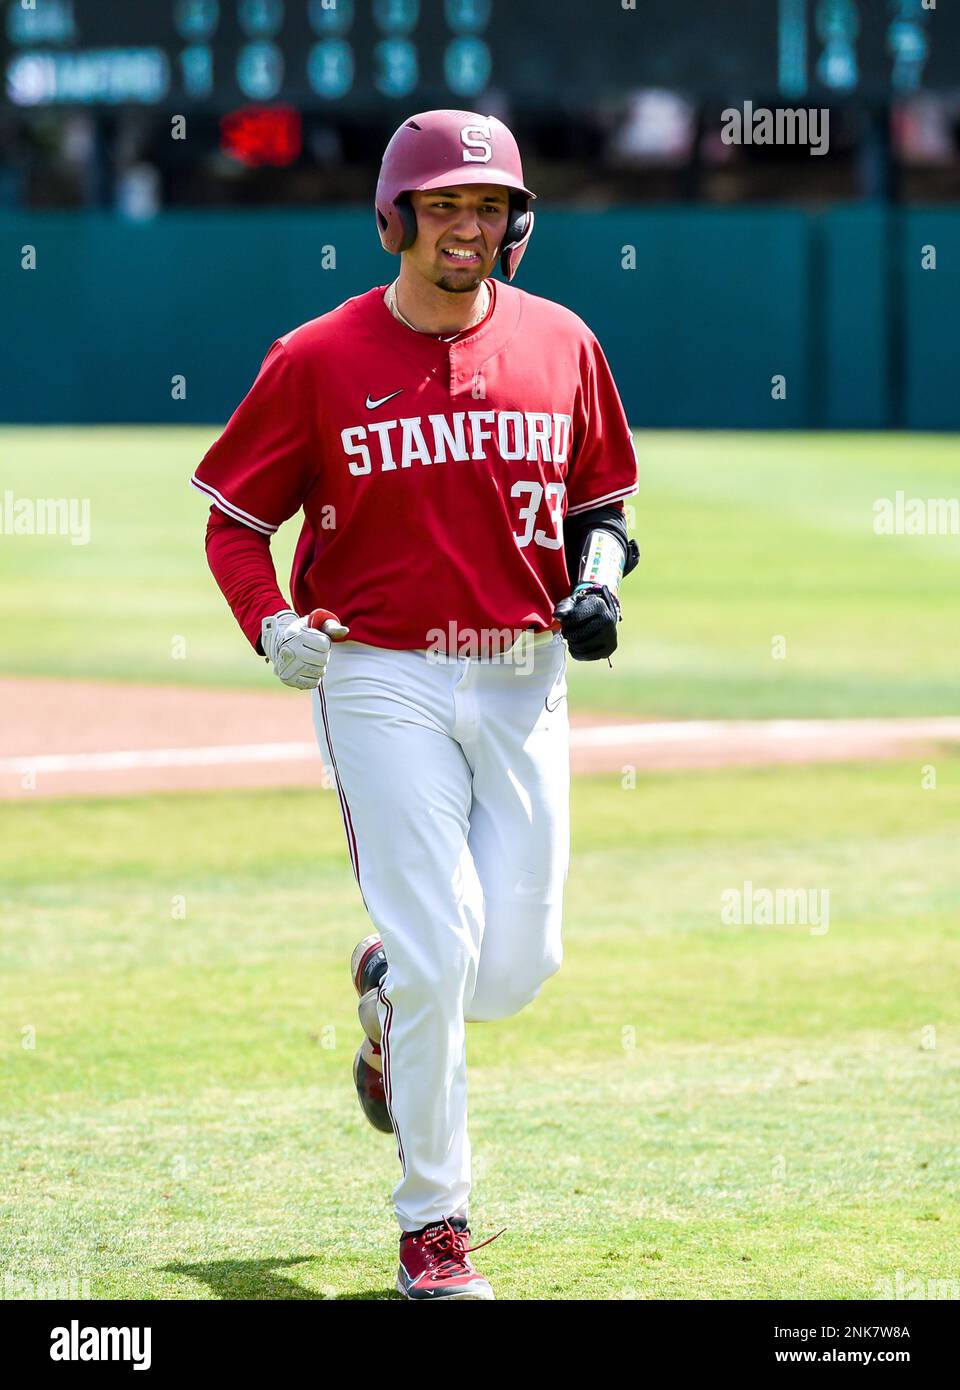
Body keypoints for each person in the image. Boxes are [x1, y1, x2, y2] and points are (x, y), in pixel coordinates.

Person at [192, 109, 639, 1300]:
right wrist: (273, 624)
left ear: (518, 224)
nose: (466, 226)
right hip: (380, 674)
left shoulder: (563, 343)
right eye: (443, 205)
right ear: (394, 217)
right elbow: (235, 524)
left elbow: (605, 506)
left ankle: (389, 995)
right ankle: (433, 1231)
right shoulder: (318, 358)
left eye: (488, 207)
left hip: (519, 669)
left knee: (512, 971)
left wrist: (597, 584)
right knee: (451, 955)